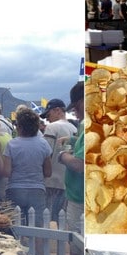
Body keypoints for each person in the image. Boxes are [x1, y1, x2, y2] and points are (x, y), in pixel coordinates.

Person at [2, 108, 52, 227]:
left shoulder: (11, 144)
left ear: (19, 126)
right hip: (37, 189)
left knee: (15, 226)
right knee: (37, 227)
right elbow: (48, 172)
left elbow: (6, 172)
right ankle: (36, 246)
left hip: (15, 189)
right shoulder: (44, 144)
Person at [57, 81, 84, 255]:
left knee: (76, 243)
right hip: (77, 194)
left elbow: (80, 164)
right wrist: (74, 139)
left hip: (80, 198)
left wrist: (63, 156)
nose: (74, 111)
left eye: (75, 106)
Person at [40, 98, 77, 228]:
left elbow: (45, 154)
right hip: (67, 181)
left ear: (57, 110)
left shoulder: (52, 127)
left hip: (51, 181)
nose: (47, 119)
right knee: (62, 220)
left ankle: (48, 246)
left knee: (47, 218)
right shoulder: (73, 128)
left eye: (48, 115)